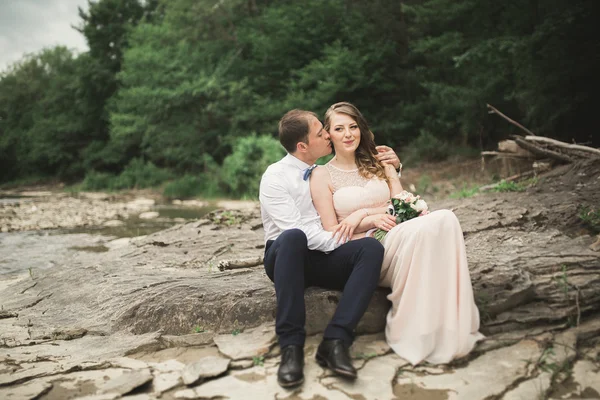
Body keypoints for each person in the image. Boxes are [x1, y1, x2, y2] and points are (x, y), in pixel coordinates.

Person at [310, 102, 484, 365]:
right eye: (339, 128)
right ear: (329, 134)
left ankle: (450, 329)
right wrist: (367, 219)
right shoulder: (321, 175)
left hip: (397, 233)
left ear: (361, 129)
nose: (348, 134)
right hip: (366, 250)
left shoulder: (379, 161)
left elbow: (401, 203)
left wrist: (389, 175)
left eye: (353, 127)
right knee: (433, 226)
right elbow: (331, 231)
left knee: (446, 219)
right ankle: (416, 333)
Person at [259, 109, 401, 388]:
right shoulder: (275, 176)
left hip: (322, 256)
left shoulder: (325, 173)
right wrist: (345, 234)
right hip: (286, 257)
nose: (327, 135)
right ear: (303, 146)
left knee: (370, 249)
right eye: (321, 133)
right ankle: (291, 347)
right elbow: (297, 230)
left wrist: (360, 226)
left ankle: (336, 341)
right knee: (293, 238)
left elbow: (364, 194)